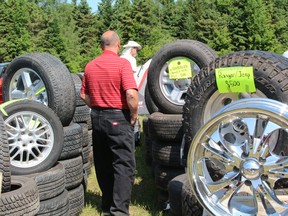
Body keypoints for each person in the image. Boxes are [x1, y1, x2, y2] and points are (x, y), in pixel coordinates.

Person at [80, 30, 138, 216]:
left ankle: (106, 206)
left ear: (100, 46)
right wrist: (134, 113)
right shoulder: (122, 64)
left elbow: (83, 95)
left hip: (97, 117)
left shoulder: (90, 66)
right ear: (118, 44)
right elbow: (130, 94)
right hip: (118, 118)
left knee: (103, 163)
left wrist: (97, 105)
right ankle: (119, 211)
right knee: (123, 164)